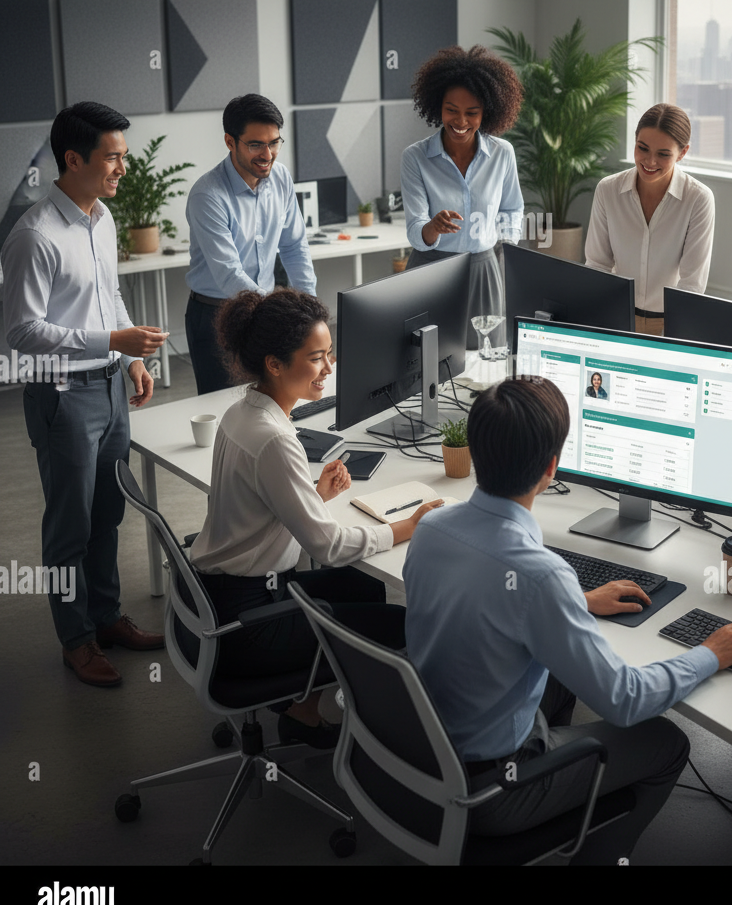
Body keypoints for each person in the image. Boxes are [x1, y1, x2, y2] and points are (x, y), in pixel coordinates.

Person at [403, 377, 732, 864]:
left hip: (425, 749)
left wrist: (576, 601)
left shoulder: (431, 528)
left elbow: (485, 600)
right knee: (666, 741)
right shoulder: (539, 576)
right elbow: (625, 701)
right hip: (492, 789)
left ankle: (559, 783)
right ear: (551, 468)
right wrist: (709, 654)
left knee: (560, 672)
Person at [187, 289, 441, 747]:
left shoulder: (241, 412)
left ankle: (302, 710)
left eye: (330, 355)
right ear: (275, 364)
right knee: (402, 626)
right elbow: (326, 546)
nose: (329, 368)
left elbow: (259, 513)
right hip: (248, 623)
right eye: (317, 358)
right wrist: (408, 527)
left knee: (360, 585)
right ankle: (391, 743)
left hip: (219, 593)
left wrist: (313, 495)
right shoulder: (274, 439)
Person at [1, 102, 167, 687]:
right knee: (69, 524)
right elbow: (20, 334)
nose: (124, 167)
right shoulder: (34, 236)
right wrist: (111, 339)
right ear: (74, 159)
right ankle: (76, 639)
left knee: (108, 513)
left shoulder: (102, 219)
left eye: (124, 155)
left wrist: (126, 358)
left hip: (108, 387)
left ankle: (106, 617)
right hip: (62, 395)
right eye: (113, 157)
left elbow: (110, 297)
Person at [185, 93, 317, 394]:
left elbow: (295, 246)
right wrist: (279, 314)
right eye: (256, 144)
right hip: (216, 314)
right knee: (223, 406)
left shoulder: (281, 178)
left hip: (265, 310)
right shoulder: (208, 195)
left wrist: (311, 312)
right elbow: (229, 274)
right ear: (230, 142)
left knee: (270, 400)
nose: (267, 154)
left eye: (274, 142)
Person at [400, 45, 524, 347]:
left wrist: (500, 249)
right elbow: (416, 229)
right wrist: (434, 227)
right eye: (451, 110)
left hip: (483, 271)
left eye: (472, 113)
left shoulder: (502, 153)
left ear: (488, 112)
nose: (460, 121)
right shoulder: (415, 157)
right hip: (430, 270)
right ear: (437, 106)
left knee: (484, 358)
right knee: (425, 361)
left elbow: (512, 210)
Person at [585, 104, 714, 336]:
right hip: (615, 319)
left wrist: (672, 338)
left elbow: (692, 285)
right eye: (642, 148)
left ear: (682, 153)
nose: (650, 161)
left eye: (663, 154)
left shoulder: (698, 199)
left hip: (670, 324)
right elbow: (597, 266)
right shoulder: (608, 190)